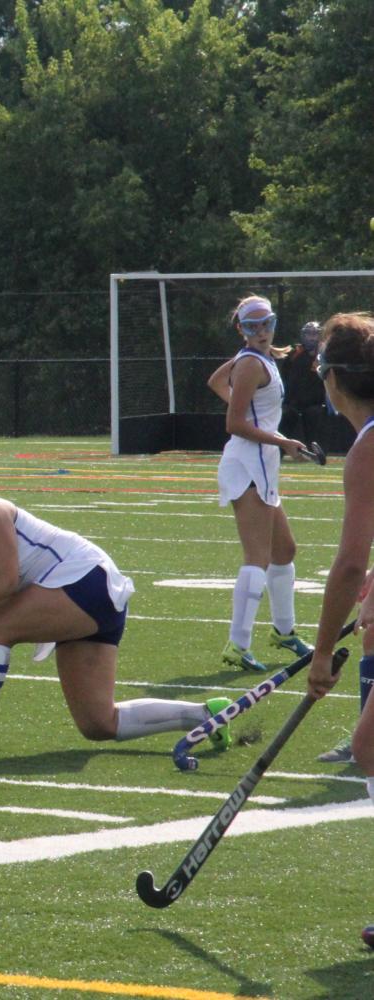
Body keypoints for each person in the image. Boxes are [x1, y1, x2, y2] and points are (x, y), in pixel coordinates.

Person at [0, 457, 233, 755]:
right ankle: (206, 714)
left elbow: (6, 579)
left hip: (86, 580)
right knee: (99, 723)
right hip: (74, 606)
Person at [205, 295, 314, 673]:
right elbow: (235, 424)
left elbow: (217, 381)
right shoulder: (251, 363)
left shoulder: (256, 360)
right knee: (257, 560)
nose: (262, 331)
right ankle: (238, 645)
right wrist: (281, 440)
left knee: (284, 551)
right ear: (242, 330)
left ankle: (283, 632)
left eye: (266, 323)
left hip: (260, 462)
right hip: (248, 464)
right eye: (252, 326)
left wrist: (274, 435)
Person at [300, 314, 374, 766]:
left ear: (334, 378)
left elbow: (348, 566)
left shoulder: (367, 451)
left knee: (370, 751)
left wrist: (323, 652)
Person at [279, 320, 325, 447]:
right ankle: (280, 449)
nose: (311, 338)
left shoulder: (324, 355)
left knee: (314, 416)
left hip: (315, 403)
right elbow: (284, 375)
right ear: (303, 336)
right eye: (308, 334)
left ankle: (314, 451)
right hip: (292, 402)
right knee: (286, 416)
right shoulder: (294, 353)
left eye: (314, 334)